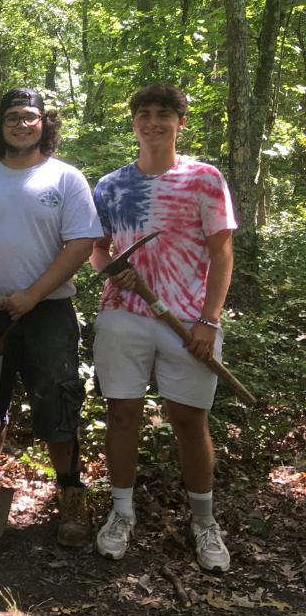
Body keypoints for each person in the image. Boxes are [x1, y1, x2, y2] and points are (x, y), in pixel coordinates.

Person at [90, 84, 236, 571]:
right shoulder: (111, 185)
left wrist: (209, 321)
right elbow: (97, 250)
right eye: (144, 114)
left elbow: (221, 252)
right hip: (123, 315)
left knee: (190, 422)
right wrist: (113, 270)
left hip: (188, 321)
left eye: (164, 114)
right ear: (132, 122)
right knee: (123, 415)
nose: (153, 122)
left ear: (180, 122)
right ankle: (121, 513)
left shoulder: (204, 179)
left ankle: (204, 522)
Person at [0, 88, 103, 546]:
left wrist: (34, 294)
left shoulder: (66, 179)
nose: (21, 123)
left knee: (59, 404)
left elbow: (80, 244)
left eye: (31, 116)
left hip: (48, 313)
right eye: (13, 116)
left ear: (45, 124)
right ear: (0, 126)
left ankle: (70, 497)